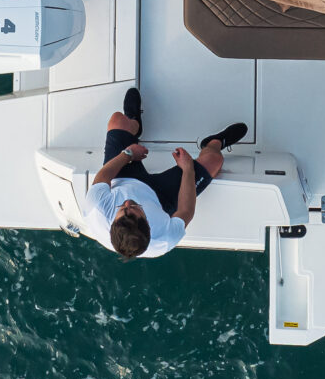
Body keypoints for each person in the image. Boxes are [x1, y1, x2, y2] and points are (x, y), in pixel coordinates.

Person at [83, 87, 247, 261]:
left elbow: (103, 176)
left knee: (117, 120)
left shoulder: (96, 209)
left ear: (112, 224)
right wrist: (188, 169)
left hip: (124, 179)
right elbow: (186, 210)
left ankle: (134, 124)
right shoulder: (164, 239)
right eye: (135, 208)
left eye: (122, 208)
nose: (128, 202)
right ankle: (213, 143)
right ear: (149, 224)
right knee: (214, 160)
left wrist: (128, 154)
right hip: (160, 199)